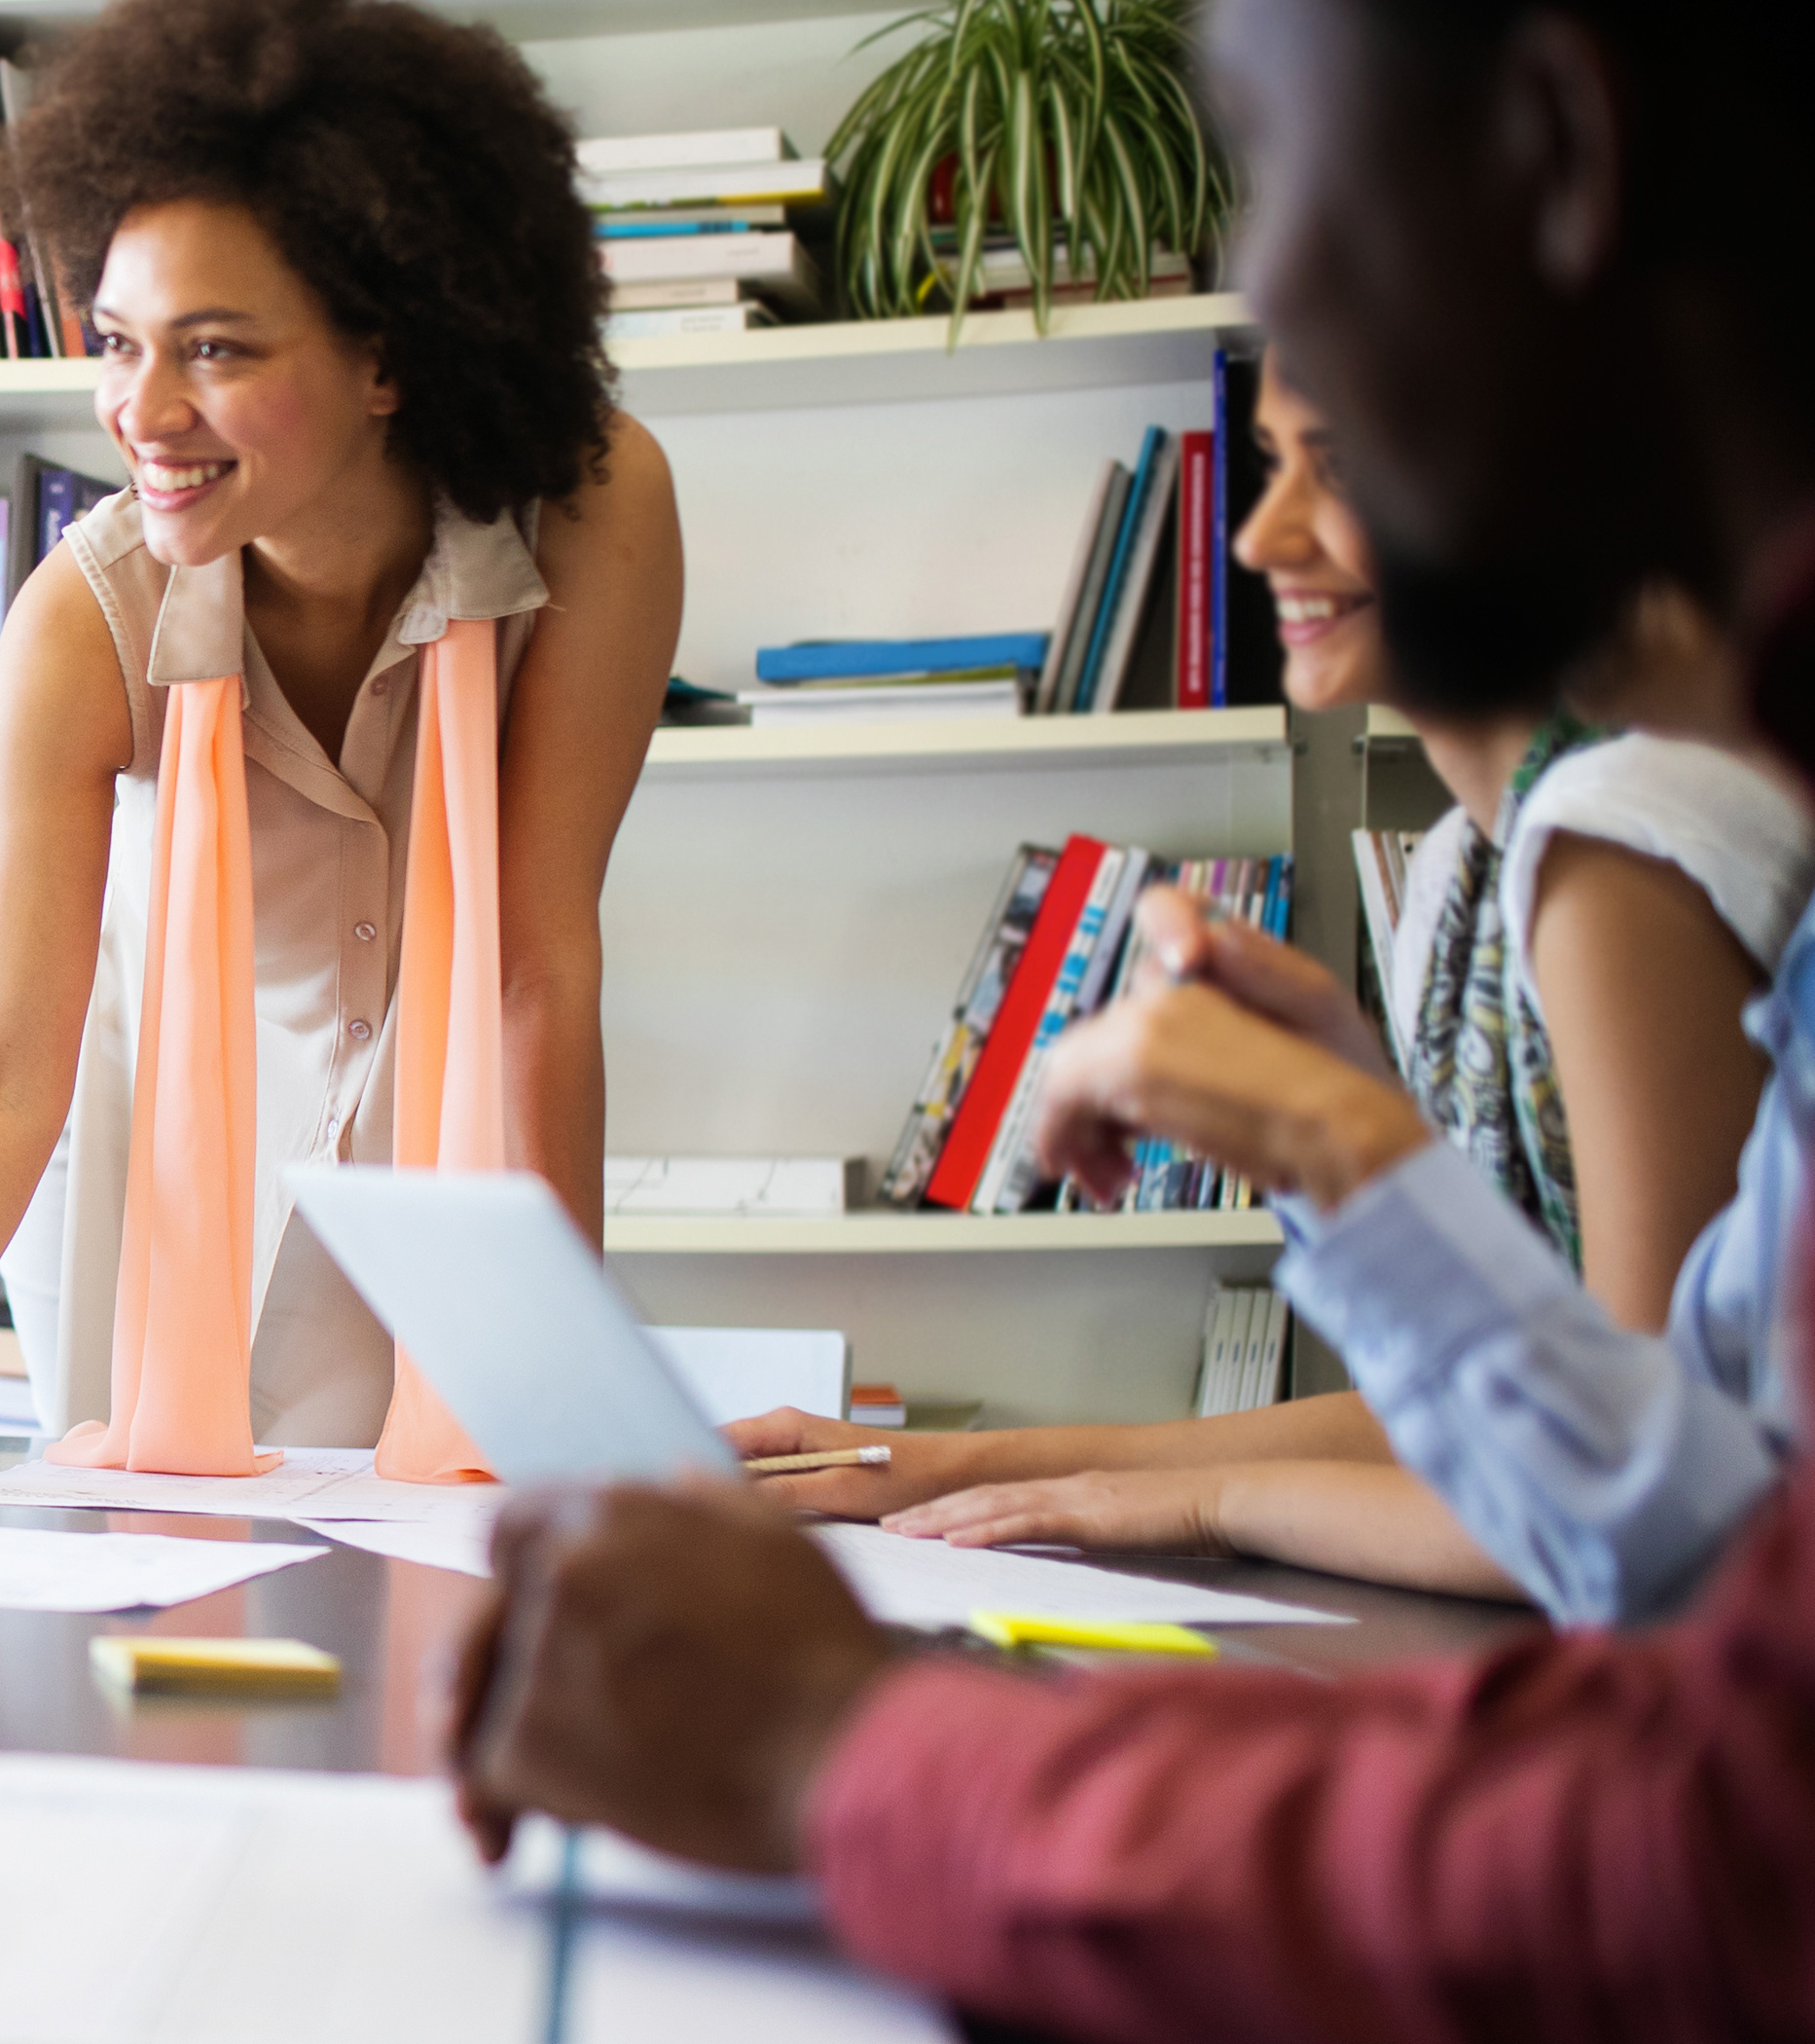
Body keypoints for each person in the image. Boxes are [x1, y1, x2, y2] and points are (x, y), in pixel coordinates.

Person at [450, 0, 1815, 2031]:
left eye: (1269, 161)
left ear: (1555, 152)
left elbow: (1716, 1850)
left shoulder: (1623, 833)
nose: (1271, 292)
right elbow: (1710, 1544)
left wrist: (855, 1748)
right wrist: (1361, 1170)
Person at [0, 0, 681, 1510]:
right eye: (118, 342)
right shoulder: (83, 622)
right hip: (164, 1169)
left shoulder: (589, 505)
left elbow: (532, 961)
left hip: (452, 1164)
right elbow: (0, 1061)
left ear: (391, 358)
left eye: (217, 350)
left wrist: (570, 1405)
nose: (142, 411)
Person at [724, 364, 1808, 1605]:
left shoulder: (1615, 842)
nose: (1258, 535)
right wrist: (933, 1466)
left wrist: (1204, 1503)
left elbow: (1627, 1499)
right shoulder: (1466, 873)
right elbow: (1485, 1403)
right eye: (1272, 462)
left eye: (1336, 467)